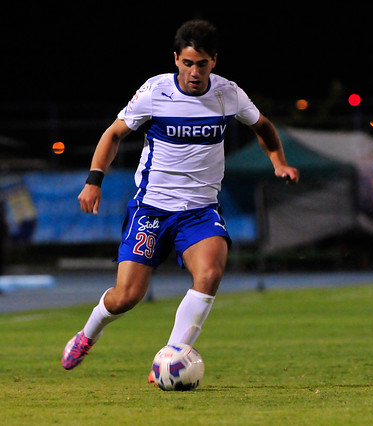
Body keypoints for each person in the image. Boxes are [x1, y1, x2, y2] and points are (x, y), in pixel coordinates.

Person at [61, 19, 299, 379]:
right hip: (152, 208)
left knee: (210, 272)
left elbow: (262, 125)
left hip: (200, 210)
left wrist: (278, 162)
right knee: (127, 296)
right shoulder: (155, 92)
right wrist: (94, 181)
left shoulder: (227, 94)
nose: (193, 72)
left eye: (201, 64)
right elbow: (113, 134)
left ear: (213, 61)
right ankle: (87, 333)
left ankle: (170, 358)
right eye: (187, 63)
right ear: (176, 59)